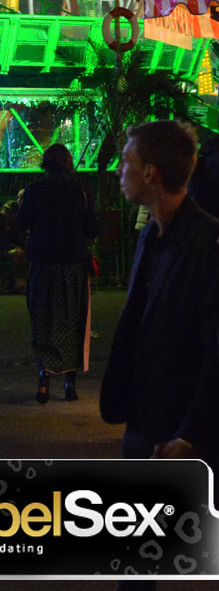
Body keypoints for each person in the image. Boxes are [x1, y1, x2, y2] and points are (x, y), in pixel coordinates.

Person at [101, 121, 219, 476]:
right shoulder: (150, 236)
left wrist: (189, 436)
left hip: (179, 433)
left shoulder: (207, 245)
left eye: (125, 161)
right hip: (141, 421)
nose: (119, 170)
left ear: (150, 172)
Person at [16, 143, 96, 403]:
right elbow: (92, 228)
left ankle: (43, 378)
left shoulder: (34, 191)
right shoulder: (80, 191)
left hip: (42, 263)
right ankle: (70, 383)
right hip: (73, 264)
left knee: (43, 320)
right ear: (68, 164)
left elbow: (21, 223)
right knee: (74, 321)